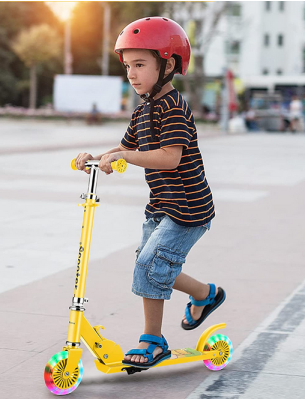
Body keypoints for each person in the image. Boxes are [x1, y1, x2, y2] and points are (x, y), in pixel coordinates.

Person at [75, 17, 225, 369]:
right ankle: (207, 294)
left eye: (140, 64)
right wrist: (96, 158)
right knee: (155, 266)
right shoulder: (143, 108)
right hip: (161, 205)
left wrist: (125, 156)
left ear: (168, 65)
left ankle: (153, 341)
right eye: (128, 65)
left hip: (188, 209)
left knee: (150, 265)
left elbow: (169, 158)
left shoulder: (173, 108)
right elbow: (125, 146)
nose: (131, 73)